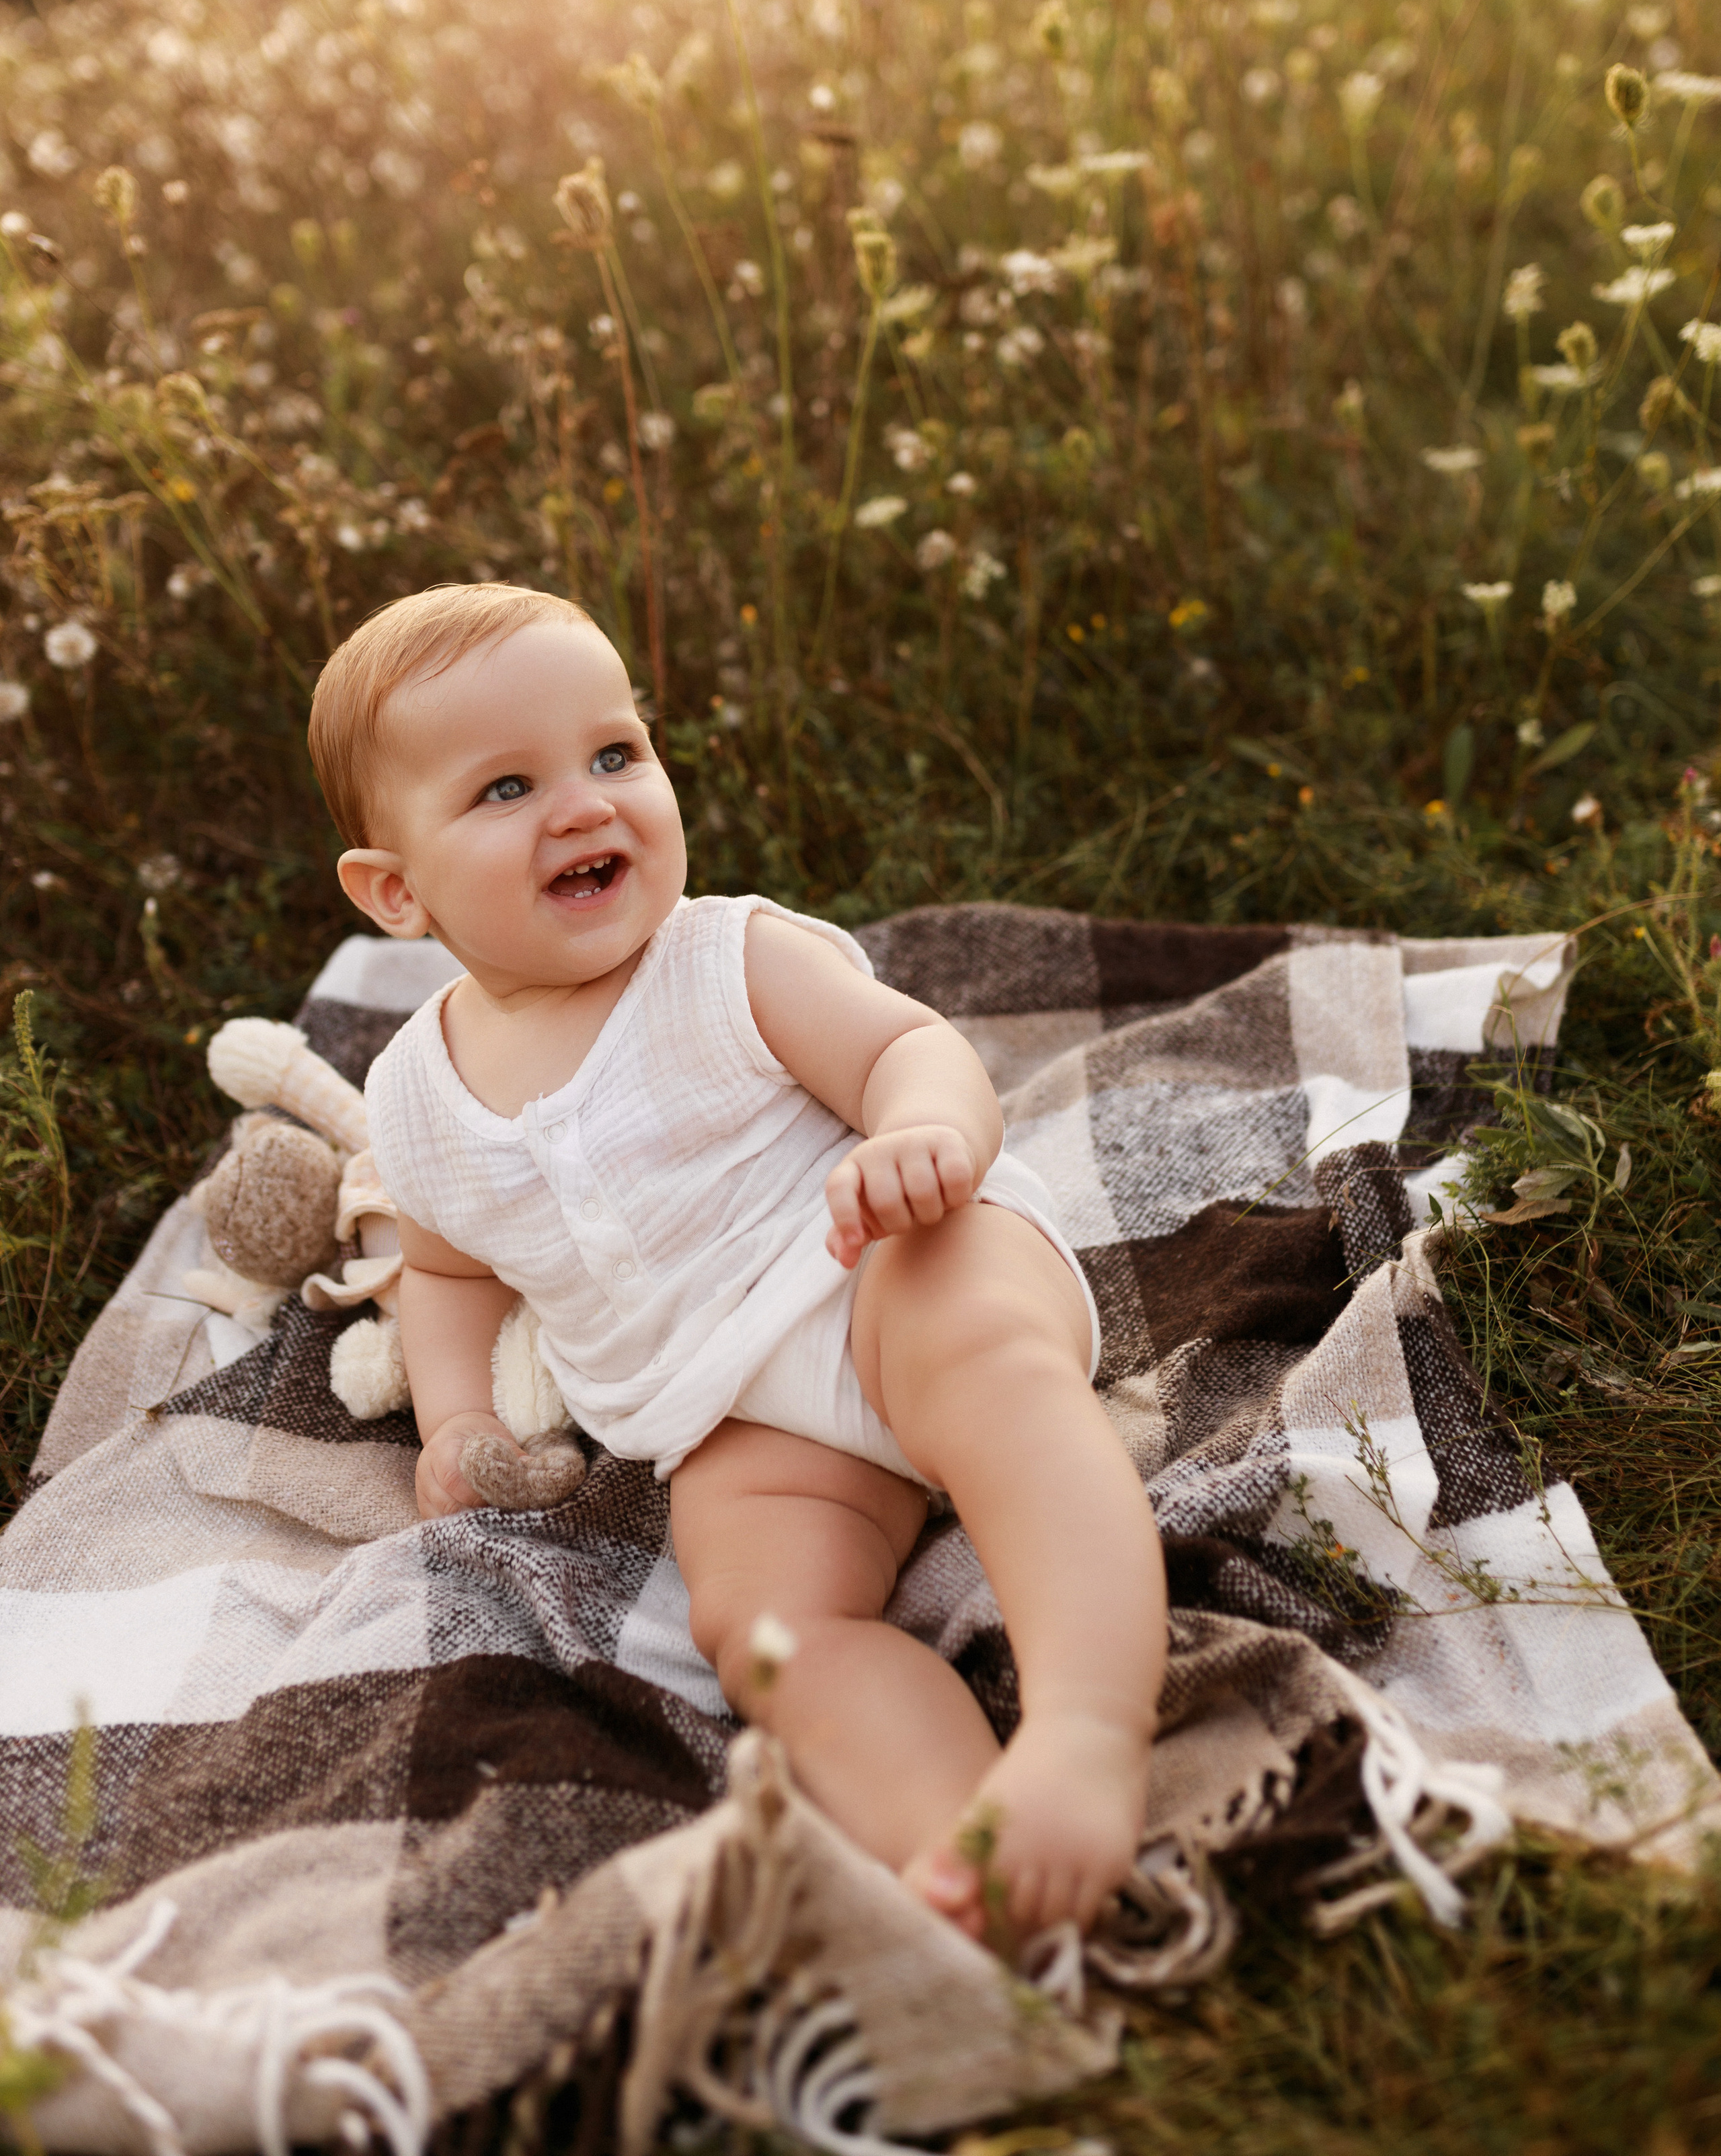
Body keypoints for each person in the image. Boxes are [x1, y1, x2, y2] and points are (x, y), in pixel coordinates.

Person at [309, 582, 1166, 1945]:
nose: (586, 805)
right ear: (395, 890)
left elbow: (906, 1048)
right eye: (506, 788)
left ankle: (1085, 1731)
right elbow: (448, 1269)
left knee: (988, 1375)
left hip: (882, 1261)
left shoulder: (723, 962)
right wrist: (457, 1413)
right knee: (764, 1636)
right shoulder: (418, 1098)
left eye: (614, 754)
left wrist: (919, 1135)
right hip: (730, 1418)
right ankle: (965, 1849)